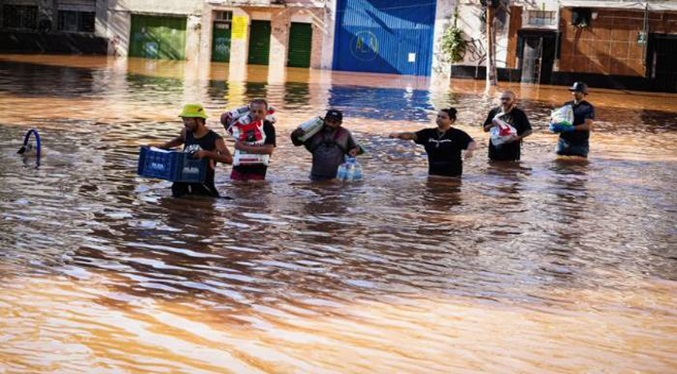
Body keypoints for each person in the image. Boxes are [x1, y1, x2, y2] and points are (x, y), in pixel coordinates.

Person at [159, 104, 233, 198]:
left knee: (207, 204)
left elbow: (229, 159)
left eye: (188, 120)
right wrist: (162, 146)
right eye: (184, 120)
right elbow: (179, 140)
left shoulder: (215, 138)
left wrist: (206, 153)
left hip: (203, 182)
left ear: (199, 120)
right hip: (182, 179)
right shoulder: (186, 132)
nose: (185, 123)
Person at [389, 107, 476, 177]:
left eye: (443, 117)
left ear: (451, 120)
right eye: (438, 116)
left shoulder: (458, 134)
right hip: (433, 174)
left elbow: (471, 142)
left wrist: (470, 151)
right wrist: (398, 135)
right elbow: (412, 135)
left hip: (452, 175)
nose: (439, 119)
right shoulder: (428, 132)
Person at [290, 109, 361, 181]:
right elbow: (297, 143)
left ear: (340, 123)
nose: (330, 124)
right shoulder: (313, 132)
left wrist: (355, 150)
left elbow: (357, 149)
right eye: (328, 121)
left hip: (337, 177)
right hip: (316, 175)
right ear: (324, 120)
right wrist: (295, 135)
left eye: (334, 122)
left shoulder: (345, 134)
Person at [220, 98, 276, 181]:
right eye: (254, 111)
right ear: (249, 111)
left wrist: (243, 147)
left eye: (260, 112)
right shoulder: (242, 123)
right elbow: (229, 128)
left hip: (257, 170)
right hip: (238, 168)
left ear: (266, 113)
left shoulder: (268, 127)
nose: (256, 114)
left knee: (255, 190)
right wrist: (224, 119)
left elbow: (269, 149)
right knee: (235, 189)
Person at [482, 90, 532, 161]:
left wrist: (518, 138)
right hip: (494, 148)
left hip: (512, 150)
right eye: (503, 99)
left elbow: (529, 131)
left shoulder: (519, 114)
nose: (504, 101)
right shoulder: (494, 112)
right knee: (493, 168)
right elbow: (485, 129)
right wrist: (493, 124)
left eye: (508, 99)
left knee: (510, 169)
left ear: (514, 100)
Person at [554, 82, 595, 158]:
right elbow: (559, 119)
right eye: (573, 91)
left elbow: (588, 126)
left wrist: (572, 128)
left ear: (583, 93)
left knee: (578, 167)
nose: (574, 93)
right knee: (558, 166)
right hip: (563, 142)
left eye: (577, 91)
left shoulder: (588, 107)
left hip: (579, 144)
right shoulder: (567, 105)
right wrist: (555, 125)